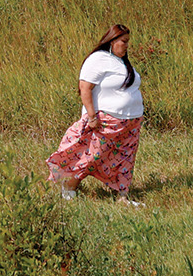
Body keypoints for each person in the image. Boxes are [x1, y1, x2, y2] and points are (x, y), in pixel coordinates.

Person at [47, 23, 145, 206]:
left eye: (127, 42)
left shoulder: (121, 62)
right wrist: (92, 117)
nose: (126, 45)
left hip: (130, 123)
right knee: (92, 155)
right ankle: (69, 186)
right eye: (123, 41)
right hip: (105, 121)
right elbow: (85, 87)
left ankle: (122, 196)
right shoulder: (98, 59)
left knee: (125, 158)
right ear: (112, 40)